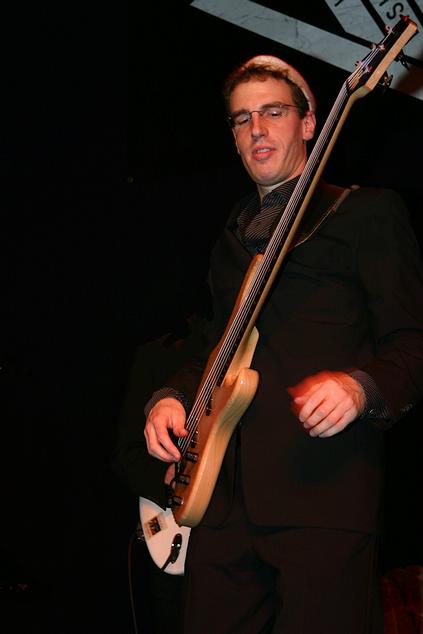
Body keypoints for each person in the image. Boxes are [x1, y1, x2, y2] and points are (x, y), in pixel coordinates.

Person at [139, 55, 423, 633]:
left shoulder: (364, 212)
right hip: (221, 499)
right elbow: (215, 349)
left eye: (273, 112)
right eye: (242, 119)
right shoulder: (232, 236)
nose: (257, 129)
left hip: (322, 493)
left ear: (309, 123)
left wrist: (360, 387)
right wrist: (171, 398)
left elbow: (412, 343)